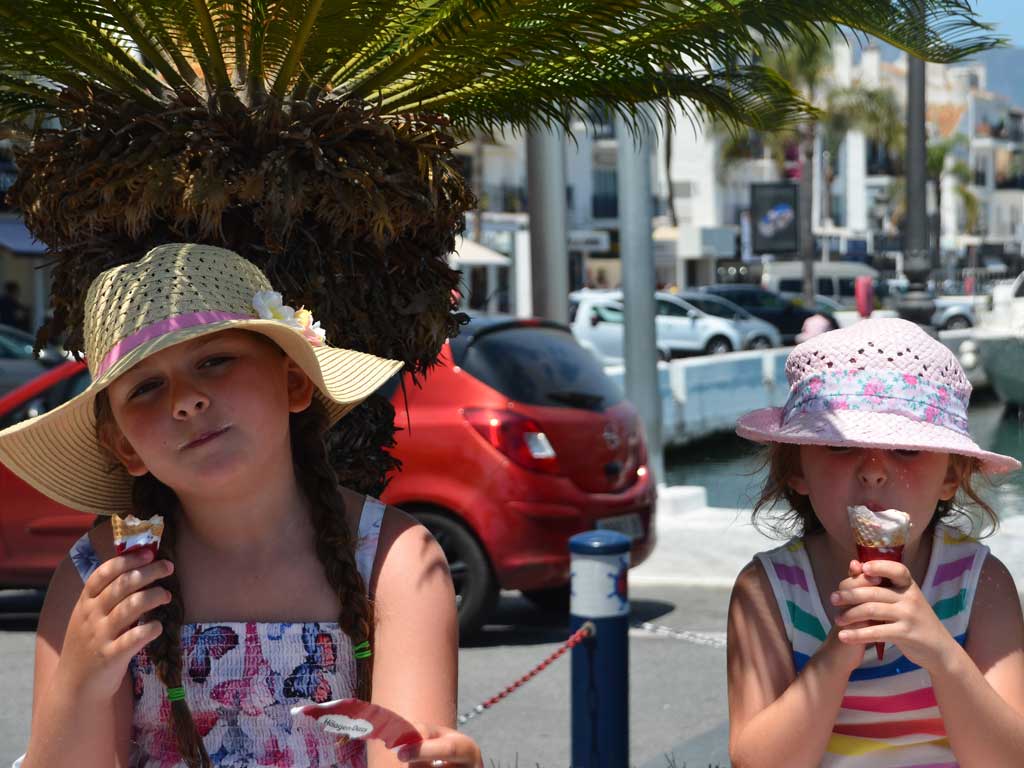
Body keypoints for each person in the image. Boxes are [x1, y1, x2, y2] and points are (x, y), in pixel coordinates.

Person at [0, 243, 481, 768]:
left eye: (215, 361)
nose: (185, 400)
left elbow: (407, 752)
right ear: (124, 447)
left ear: (293, 382)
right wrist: (81, 679)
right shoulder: (99, 581)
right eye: (146, 387)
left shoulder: (394, 562)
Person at [726, 317, 1024, 767]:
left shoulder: (979, 584)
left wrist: (942, 655)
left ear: (951, 476)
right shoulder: (767, 591)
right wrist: (837, 653)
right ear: (797, 469)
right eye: (839, 447)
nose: (873, 470)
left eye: (907, 450)